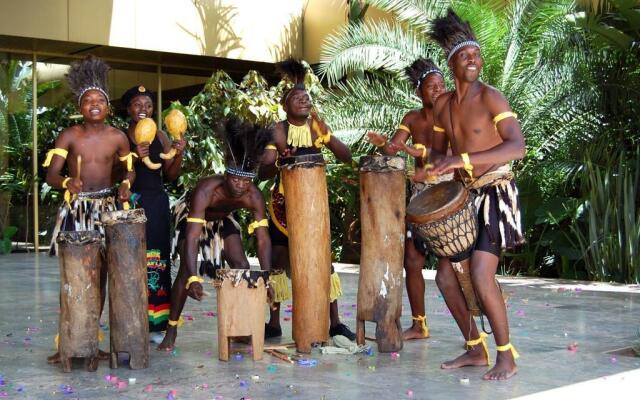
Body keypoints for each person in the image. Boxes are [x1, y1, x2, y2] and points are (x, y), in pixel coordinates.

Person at [427, 9, 525, 380]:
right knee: (446, 278)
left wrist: (461, 158)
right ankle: (474, 348)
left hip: (497, 193)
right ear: (452, 62)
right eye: (467, 56)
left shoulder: (492, 98)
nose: (475, 60)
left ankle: (506, 356)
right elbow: (438, 151)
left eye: (478, 55)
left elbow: (517, 147)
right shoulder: (443, 105)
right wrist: (432, 165)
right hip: (466, 197)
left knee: (482, 275)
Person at [44, 55, 135, 363]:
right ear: (80, 106)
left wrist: (125, 185)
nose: (94, 104)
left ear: (108, 106)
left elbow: (128, 171)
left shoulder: (119, 137)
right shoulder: (69, 135)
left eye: (100, 100)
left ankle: (92, 340)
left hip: (107, 208)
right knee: (73, 277)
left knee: (100, 277)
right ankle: (67, 342)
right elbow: (51, 175)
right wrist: (67, 182)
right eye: (88, 100)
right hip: (78, 210)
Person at [158, 118, 273, 351]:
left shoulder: (253, 196)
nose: (241, 185)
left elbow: (262, 239)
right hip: (191, 218)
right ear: (226, 175)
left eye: (246, 180)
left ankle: (240, 329)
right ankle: (171, 329)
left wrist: (267, 277)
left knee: (242, 266)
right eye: (236, 179)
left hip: (222, 220)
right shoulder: (207, 189)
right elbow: (192, 237)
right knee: (184, 274)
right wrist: (193, 277)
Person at [260, 58, 355, 341]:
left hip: (314, 207)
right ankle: (274, 322)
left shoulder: (317, 127)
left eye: (307, 97)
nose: (304, 100)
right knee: (277, 261)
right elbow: (263, 169)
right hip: (282, 206)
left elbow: (346, 156)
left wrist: (326, 134)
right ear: (285, 105)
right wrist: (279, 157)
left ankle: (334, 322)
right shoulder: (276, 130)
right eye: (297, 97)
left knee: (323, 262)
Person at [367, 58, 452, 340]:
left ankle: (472, 332)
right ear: (419, 92)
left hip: (450, 195)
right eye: (431, 86)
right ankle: (419, 324)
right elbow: (394, 147)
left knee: (450, 267)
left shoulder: (453, 114)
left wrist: (418, 153)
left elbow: (456, 153)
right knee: (412, 260)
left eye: (441, 84)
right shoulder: (412, 118)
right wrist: (385, 145)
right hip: (420, 196)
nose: (438, 90)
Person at [121, 86, 186, 339]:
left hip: (157, 202)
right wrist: (135, 157)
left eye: (147, 105)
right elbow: (116, 175)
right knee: (130, 260)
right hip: (131, 204)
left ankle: (157, 323)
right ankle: (131, 318)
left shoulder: (159, 134)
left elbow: (171, 174)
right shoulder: (121, 136)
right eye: (137, 105)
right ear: (128, 109)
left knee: (157, 259)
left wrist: (178, 153)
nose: (143, 110)